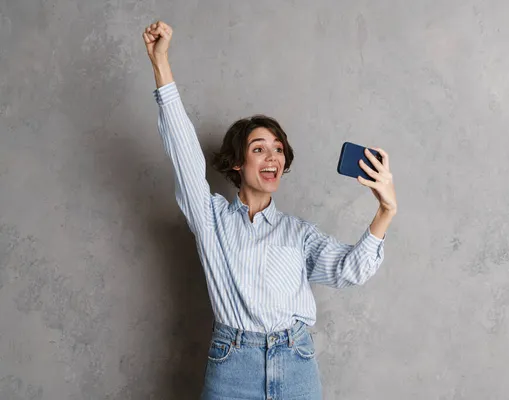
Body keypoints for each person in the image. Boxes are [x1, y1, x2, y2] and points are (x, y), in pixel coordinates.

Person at [143, 20, 397, 400]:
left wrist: (385, 211)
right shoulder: (211, 219)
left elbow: (350, 270)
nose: (272, 156)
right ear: (236, 163)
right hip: (232, 366)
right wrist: (161, 64)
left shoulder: (300, 233)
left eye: (278, 149)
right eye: (259, 148)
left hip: (295, 362)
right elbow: (183, 154)